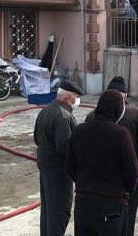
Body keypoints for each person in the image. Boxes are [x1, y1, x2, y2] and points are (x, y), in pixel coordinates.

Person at [67, 89, 138, 236]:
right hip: (112, 205)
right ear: (118, 110)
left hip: (84, 203)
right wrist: (123, 192)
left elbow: (69, 166)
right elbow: (132, 172)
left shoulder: (79, 131)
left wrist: (84, 184)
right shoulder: (121, 134)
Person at [85, 77, 138, 236]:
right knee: (128, 216)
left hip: (98, 179)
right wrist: (135, 176)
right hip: (129, 177)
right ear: (125, 95)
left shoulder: (91, 117)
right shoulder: (137, 115)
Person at [33, 80, 83, 236]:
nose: (78, 101)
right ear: (69, 97)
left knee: (48, 210)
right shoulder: (63, 117)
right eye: (76, 97)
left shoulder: (46, 111)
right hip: (59, 172)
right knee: (59, 212)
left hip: (46, 168)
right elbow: (65, 148)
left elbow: (36, 139)